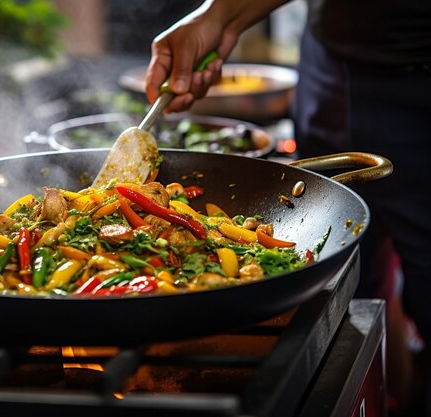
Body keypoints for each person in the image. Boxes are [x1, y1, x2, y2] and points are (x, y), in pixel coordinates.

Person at [145, 0, 431, 415]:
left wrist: (221, 17)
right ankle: (394, 393)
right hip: (332, 62)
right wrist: (219, 17)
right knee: (349, 278)